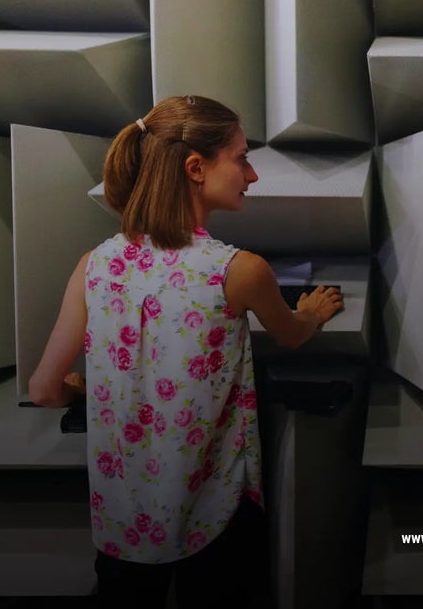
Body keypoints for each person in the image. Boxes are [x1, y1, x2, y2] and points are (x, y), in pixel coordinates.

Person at [28, 95, 342, 608]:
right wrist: (313, 312)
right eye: (241, 158)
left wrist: (84, 392)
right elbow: (291, 335)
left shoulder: (95, 265)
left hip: (123, 523)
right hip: (216, 514)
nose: (252, 175)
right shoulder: (239, 270)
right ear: (195, 168)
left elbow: (43, 390)